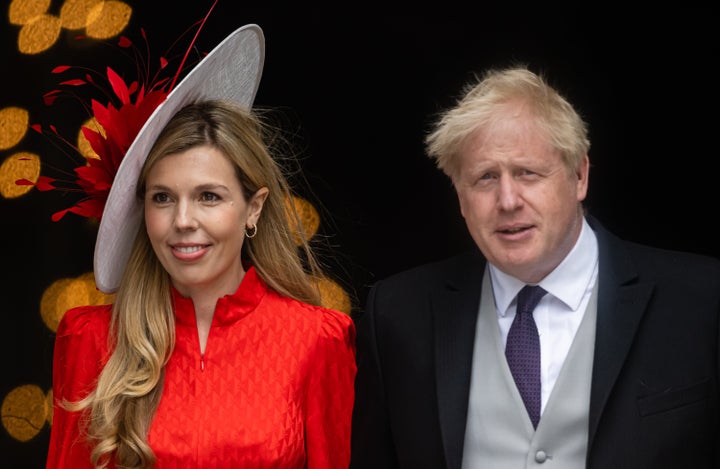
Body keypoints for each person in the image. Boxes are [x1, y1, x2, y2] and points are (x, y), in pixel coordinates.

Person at [350, 65, 720, 468]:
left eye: (527, 173)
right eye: (485, 178)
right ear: (459, 196)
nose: (508, 200)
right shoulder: (400, 314)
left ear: (579, 176)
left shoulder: (702, 300)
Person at [44, 22, 356, 469]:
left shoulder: (316, 340)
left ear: (253, 207)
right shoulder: (90, 338)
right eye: (163, 198)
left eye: (208, 196)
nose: (183, 221)